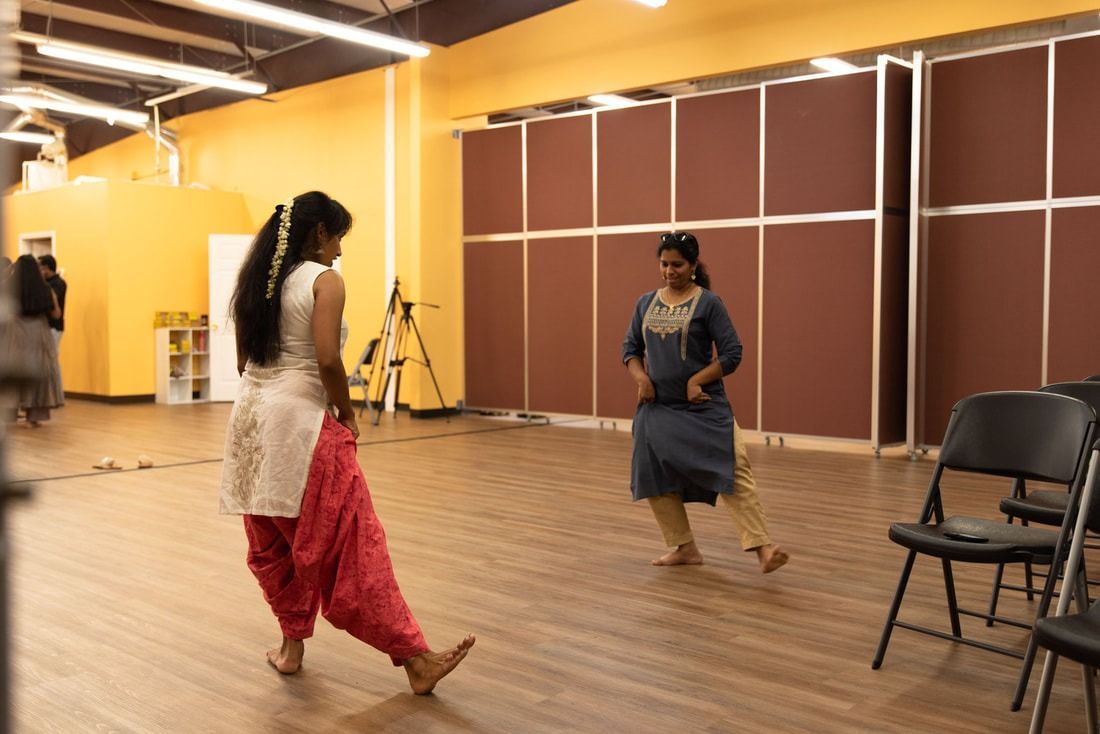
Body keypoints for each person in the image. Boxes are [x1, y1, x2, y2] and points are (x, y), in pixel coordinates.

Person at [219, 191, 474, 693]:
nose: (338, 250)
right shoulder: (324, 280)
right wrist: (348, 413)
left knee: (274, 545)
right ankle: (415, 660)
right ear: (319, 233)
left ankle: (291, 649)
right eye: (337, 237)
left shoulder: (257, 284)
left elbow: (242, 364)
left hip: (249, 427)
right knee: (349, 548)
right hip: (300, 427)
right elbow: (329, 360)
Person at [623, 231, 788, 573]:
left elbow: (732, 353)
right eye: (664, 264)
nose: (670, 271)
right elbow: (630, 350)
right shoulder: (645, 303)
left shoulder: (709, 303)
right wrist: (641, 379)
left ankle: (763, 549)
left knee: (733, 466)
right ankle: (684, 548)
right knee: (653, 474)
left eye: (678, 265)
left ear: (694, 265)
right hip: (658, 409)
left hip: (702, 407)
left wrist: (697, 380)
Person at [3, 255, 63, 425]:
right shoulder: (46, 289)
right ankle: (34, 417)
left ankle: (9, 415)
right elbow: (56, 314)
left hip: (15, 332)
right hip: (38, 332)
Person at [37, 255, 66, 347]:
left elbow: (50, 299)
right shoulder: (44, 282)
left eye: (39, 267)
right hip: (43, 327)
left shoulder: (59, 283)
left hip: (53, 326)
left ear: (46, 268)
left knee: (50, 357)